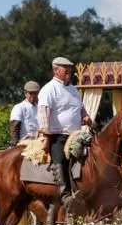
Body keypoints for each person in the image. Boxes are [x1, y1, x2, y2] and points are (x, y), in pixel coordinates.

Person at [37, 56, 94, 209]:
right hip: (57, 135)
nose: (68, 70)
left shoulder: (74, 90)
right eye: (64, 67)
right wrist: (46, 137)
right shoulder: (49, 89)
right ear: (56, 70)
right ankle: (65, 195)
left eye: (69, 67)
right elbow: (43, 113)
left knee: (94, 154)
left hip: (77, 135)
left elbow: (80, 109)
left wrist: (86, 117)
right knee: (60, 160)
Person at [9, 81, 40, 146]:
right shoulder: (19, 107)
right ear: (25, 93)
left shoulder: (39, 107)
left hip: (38, 141)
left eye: (35, 93)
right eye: (31, 93)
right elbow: (14, 127)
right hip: (23, 142)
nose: (33, 96)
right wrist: (15, 144)